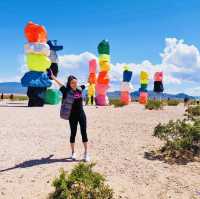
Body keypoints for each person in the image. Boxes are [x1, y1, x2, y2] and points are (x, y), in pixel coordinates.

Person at [51, 73, 90, 162]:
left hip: (81, 115)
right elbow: (59, 83)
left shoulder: (79, 89)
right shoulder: (66, 91)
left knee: (84, 132)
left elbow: (87, 83)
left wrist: (89, 78)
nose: (74, 84)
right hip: (72, 116)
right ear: (69, 83)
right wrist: (53, 77)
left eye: (75, 83)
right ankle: (73, 152)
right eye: (72, 83)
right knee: (73, 133)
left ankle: (86, 153)